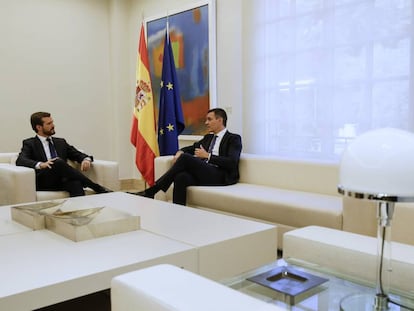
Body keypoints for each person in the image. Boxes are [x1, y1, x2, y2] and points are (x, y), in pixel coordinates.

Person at [136, 108, 242, 205]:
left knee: (186, 158)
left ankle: (152, 190)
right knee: (181, 177)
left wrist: (208, 156)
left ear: (220, 120)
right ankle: (178, 212)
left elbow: (232, 162)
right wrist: (180, 152)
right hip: (206, 173)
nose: (206, 123)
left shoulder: (233, 139)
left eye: (209, 119)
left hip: (222, 176)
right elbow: (191, 148)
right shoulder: (208, 138)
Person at [16, 111, 111, 197]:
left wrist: (86, 159)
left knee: (76, 183)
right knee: (57, 162)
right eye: (49, 124)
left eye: (52, 122)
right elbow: (21, 160)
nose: (53, 125)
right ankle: (96, 187)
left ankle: (80, 212)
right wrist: (41, 164)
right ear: (39, 127)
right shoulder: (30, 143)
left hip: (61, 180)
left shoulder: (60, 142)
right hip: (43, 181)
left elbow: (77, 154)